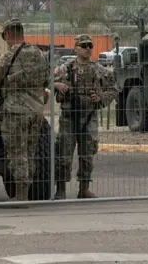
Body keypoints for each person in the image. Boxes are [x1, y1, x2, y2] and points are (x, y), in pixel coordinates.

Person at [0, 18, 50, 204]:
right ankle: (28, 192)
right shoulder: (39, 54)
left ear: (8, 34)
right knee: (30, 152)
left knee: (17, 154)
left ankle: (21, 196)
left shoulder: (8, 57)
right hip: (36, 111)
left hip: (16, 113)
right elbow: (47, 80)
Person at [52, 34, 118, 199]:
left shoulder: (98, 69)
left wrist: (101, 98)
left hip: (88, 118)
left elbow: (114, 88)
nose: (88, 48)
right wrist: (57, 85)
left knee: (87, 154)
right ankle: (61, 189)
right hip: (68, 118)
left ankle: (84, 187)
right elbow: (46, 80)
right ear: (76, 48)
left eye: (90, 45)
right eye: (84, 45)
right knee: (64, 155)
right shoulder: (66, 68)